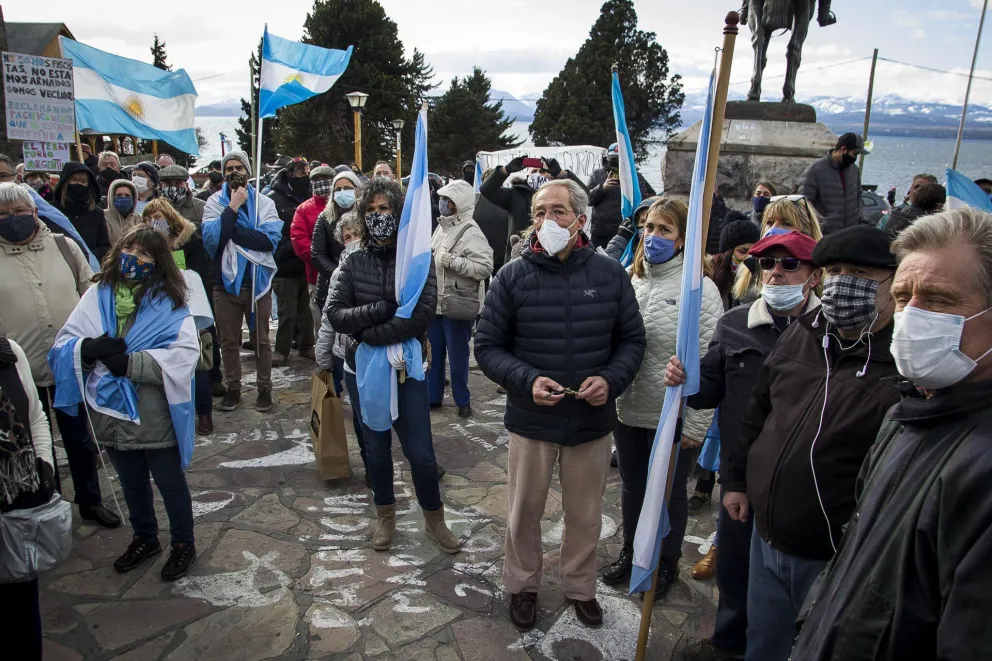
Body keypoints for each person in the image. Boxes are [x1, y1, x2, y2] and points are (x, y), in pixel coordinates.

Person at [792, 207, 992, 661]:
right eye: (903, 297)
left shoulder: (980, 470)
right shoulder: (906, 415)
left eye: (939, 300)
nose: (913, 316)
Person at [475, 179, 646, 631]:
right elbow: (487, 346)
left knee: (585, 516)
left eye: (558, 211)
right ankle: (522, 585)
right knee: (523, 512)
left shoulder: (610, 275)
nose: (547, 220)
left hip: (590, 420)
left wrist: (610, 380)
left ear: (581, 219)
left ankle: (579, 587)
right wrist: (527, 380)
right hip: (531, 419)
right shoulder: (512, 275)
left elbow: (632, 341)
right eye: (539, 212)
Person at [728, 226, 902, 661]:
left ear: (894, 283)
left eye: (859, 273)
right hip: (766, 532)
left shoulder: (903, 364)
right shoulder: (803, 332)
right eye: (835, 271)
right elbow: (758, 412)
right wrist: (737, 481)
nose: (842, 283)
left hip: (833, 553)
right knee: (763, 640)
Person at [667, 231, 823, 661]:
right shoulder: (735, 323)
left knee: (790, 578)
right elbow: (707, 391)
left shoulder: (829, 331)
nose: (776, 273)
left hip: (802, 480)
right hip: (742, 475)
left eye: (789, 264)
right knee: (735, 565)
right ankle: (728, 643)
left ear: (814, 276)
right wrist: (684, 380)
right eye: (767, 264)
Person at [50, 226, 199, 581]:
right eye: (129, 248)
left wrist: (133, 364)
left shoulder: (170, 301)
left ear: (159, 262)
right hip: (110, 411)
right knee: (130, 482)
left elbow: (185, 354)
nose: (134, 257)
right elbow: (65, 343)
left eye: (145, 253)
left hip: (154, 411)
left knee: (169, 481)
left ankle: (183, 543)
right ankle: (145, 537)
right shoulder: (97, 295)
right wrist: (88, 349)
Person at [326, 177, 462, 555]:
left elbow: (420, 316)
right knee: (377, 450)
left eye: (384, 208)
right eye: (370, 210)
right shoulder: (353, 261)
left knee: (421, 452)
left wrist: (368, 332)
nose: (377, 216)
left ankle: (435, 518)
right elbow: (337, 313)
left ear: (398, 212)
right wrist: (380, 311)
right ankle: (385, 515)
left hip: (406, 368)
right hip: (364, 371)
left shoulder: (418, 260)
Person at [600, 198, 722, 596]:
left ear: (682, 238)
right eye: (649, 227)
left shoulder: (699, 290)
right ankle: (633, 551)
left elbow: (709, 362)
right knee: (633, 486)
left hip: (673, 415)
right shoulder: (630, 279)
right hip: (630, 407)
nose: (652, 236)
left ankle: (666, 561)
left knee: (669, 494)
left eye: (664, 230)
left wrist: (697, 424)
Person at [0, 183, 120, 528]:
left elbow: (91, 293)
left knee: (80, 438)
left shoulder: (65, 247)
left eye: (20, 211)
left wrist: (97, 339)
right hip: (16, 368)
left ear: (35, 212)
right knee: (34, 440)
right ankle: (46, 498)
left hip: (68, 361)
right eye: (3, 214)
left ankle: (90, 500)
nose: (13, 219)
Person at [202, 151, 283, 413]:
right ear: (223, 173)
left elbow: (268, 240)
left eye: (239, 167)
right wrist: (233, 207)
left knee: (261, 341)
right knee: (228, 341)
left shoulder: (264, 204)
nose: (234, 172)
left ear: (248, 172)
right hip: (225, 285)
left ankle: (264, 388)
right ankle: (233, 388)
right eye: (229, 168)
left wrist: (232, 229)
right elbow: (213, 240)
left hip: (257, 283)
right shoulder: (214, 202)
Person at [0, 336, 57, 661]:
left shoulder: (9, 353)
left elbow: (36, 417)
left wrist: (44, 461)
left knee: (21, 617)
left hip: (17, 512)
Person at [142, 199, 215, 433]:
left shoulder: (189, 240)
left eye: (158, 218)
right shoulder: (143, 245)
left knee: (196, 362)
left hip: (188, 308)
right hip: (158, 310)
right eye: (148, 219)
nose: (154, 222)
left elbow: (198, 275)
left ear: (169, 218)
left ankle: (204, 413)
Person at [429, 179, 494, 418]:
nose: (443, 204)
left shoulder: (471, 231)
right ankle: (433, 397)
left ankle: (462, 401)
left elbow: (485, 267)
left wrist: (453, 262)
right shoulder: (442, 227)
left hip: (457, 304)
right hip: (436, 302)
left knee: (458, 358)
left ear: (459, 203)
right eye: (442, 199)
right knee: (434, 354)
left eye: (448, 200)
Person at [316, 213, 369, 481]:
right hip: (344, 353)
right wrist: (323, 352)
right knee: (359, 414)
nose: (352, 240)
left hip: (373, 348)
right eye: (347, 237)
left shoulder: (378, 265)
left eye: (356, 234)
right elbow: (329, 316)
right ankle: (370, 464)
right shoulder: (339, 273)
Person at [733, 196, 824, 305]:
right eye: (769, 222)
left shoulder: (826, 280)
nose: (773, 229)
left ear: (806, 233)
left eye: (786, 223)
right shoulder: (746, 271)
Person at [480, 156, 588, 248]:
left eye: (542, 171)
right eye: (534, 172)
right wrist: (505, 170)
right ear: (528, 176)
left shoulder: (561, 194)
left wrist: (562, 173)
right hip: (520, 252)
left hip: (556, 249)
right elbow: (486, 190)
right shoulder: (515, 194)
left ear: (551, 175)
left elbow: (586, 196)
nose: (537, 174)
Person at [311, 169, 362, 327]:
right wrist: (337, 274)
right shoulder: (325, 218)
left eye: (347, 188)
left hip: (362, 282)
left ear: (357, 189)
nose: (342, 192)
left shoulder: (365, 214)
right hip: (330, 284)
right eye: (338, 189)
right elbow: (317, 254)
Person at [291, 164, 335, 339]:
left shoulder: (345, 205)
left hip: (348, 274)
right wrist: (325, 262)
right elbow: (300, 244)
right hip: (316, 277)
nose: (321, 183)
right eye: (317, 180)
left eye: (326, 180)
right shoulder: (304, 210)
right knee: (321, 325)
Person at [586, 143, 656, 250]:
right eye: (613, 160)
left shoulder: (635, 176)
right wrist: (602, 187)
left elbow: (646, 199)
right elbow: (587, 199)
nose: (617, 164)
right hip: (600, 231)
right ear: (607, 159)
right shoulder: (597, 174)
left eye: (619, 160)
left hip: (624, 230)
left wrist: (628, 186)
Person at [801, 132, 867, 235]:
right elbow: (804, 204)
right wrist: (822, 224)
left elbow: (858, 196)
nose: (855, 159)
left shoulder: (854, 170)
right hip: (825, 235)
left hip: (850, 234)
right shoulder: (815, 171)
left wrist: (860, 217)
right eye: (854, 154)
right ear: (843, 149)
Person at [53, 162, 112, 261]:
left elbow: (104, 246)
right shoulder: (52, 211)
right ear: (65, 182)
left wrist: (88, 256)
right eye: (74, 179)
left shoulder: (96, 213)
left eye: (83, 181)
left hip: (89, 265)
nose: (78, 184)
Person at [710, 218, 760, 311]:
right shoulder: (709, 281)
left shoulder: (760, 283)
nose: (749, 257)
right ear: (727, 254)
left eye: (754, 253)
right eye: (743, 251)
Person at [103, 179, 141, 245]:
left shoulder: (138, 218)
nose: (123, 198)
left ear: (133, 198)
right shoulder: (103, 217)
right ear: (112, 197)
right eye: (119, 195)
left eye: (127, 195)